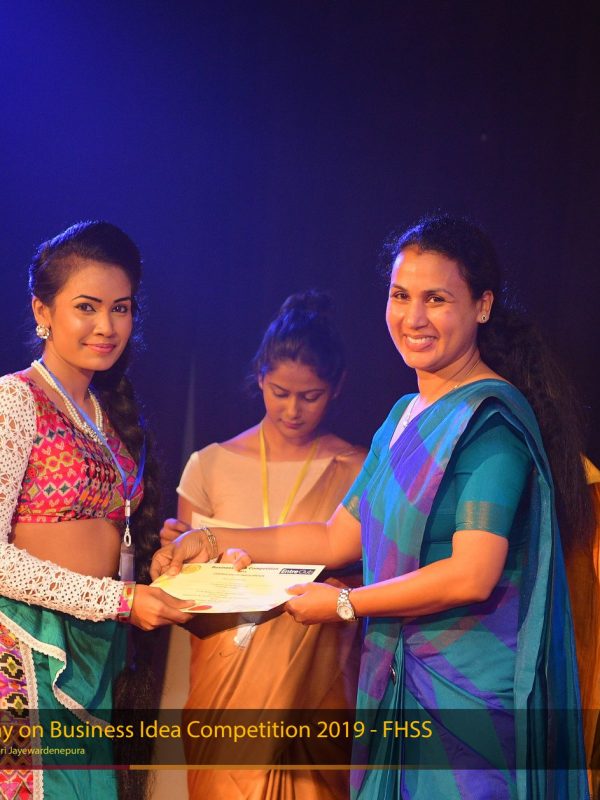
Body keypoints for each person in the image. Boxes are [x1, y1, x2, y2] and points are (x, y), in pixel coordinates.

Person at [152, 215, 593, 799]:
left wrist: (344, 603)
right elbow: (335, 539)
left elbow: (472, 573)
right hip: (396, 684)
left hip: (468, 701)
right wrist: (210, 540)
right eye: (400, 295)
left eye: (436, 299)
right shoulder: (402, 419)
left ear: (482, 306)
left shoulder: (490, 424)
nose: (413, 318)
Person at [0, 221, 191, 799]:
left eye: (121, 308)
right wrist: (120, 600)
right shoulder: (14, 400)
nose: (107, 326)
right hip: (25, 645)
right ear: (42, 310)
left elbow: (112, 539)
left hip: (97, 645)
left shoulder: (106, 412)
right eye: (87, 307)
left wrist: (160, 558)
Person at [158, 291, 366, 800]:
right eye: (280, 392)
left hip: (318, 682)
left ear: (338, 386)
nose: (292, 410)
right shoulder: (209, 466)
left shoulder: (360, 469)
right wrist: (176, 561)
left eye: (311, 396)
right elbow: (185, 595)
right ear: (259, 376)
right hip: (224, 681)